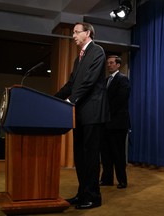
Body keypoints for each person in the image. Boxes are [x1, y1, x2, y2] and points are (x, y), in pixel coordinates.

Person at [54, 22, 109, 209]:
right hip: (79, 114)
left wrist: (72, 100)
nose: (74, 36)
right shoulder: (78, 59)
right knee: (80, 157)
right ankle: (82, 193)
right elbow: (72, 84)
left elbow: (89, 82)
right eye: (73, 33)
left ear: (88, 33)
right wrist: (53, 99)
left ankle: (93, 197)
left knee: (91, 157)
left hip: (93, 113)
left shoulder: (97, 51)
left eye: (77, 32)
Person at [99, 55, 130, 189]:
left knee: (118, 153)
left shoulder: (123, 79)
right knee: (105, 153)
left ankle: (122, 180)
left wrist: (105, 111)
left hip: (118, 123)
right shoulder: (106, 80)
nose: (109, 65)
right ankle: (107, 179)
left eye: (111, 63)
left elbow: (121, 99)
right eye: (108, 63)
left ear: (118, 65)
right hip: (105, 122)